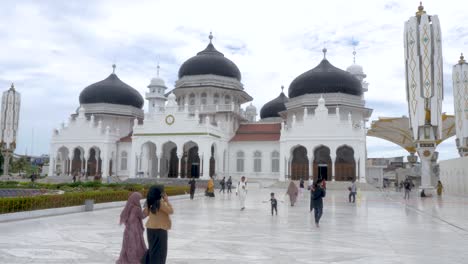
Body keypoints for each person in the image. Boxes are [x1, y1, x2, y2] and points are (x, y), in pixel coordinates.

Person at [142, 186, 173, 264]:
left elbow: (145, 214)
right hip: (160, 229)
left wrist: (147, 205)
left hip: (150, 229)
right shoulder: (160, 203)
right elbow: (170, 211)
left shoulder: (149, 202)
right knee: (161, 252)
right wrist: (167, 201)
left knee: (152, 250)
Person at [117, 192, 147, 264]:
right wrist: (147, 210)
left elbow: (125, 218)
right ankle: (134, 259)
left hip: (128, 229)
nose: (139, 201)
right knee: (135, 245)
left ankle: (127, 257)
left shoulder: (128, 206)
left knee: (128, 245)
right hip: (135, 230)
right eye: (138, 199)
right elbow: (142, 216)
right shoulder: (136, 208)